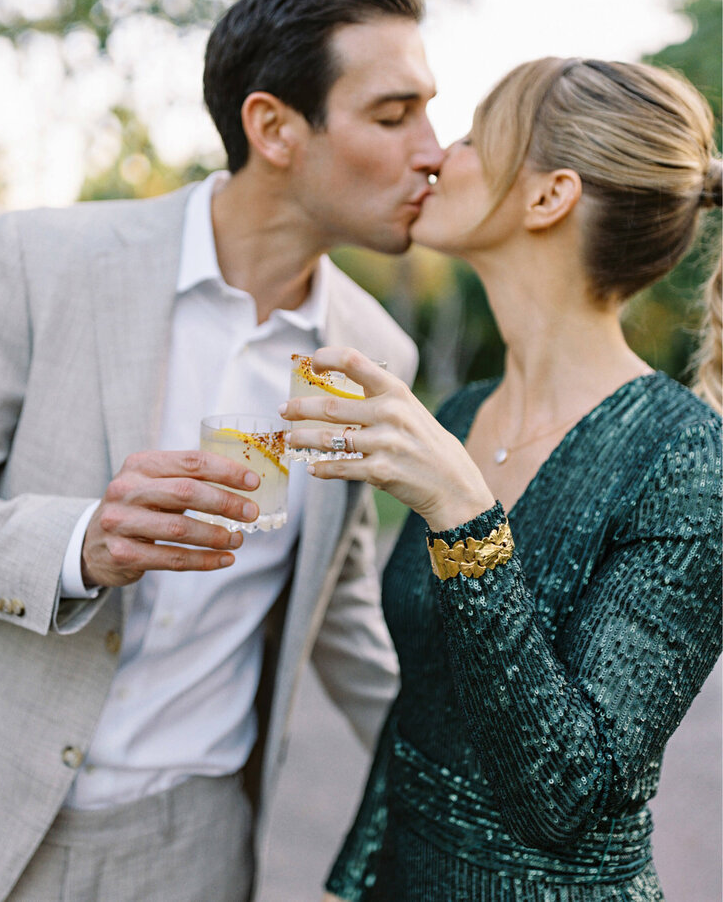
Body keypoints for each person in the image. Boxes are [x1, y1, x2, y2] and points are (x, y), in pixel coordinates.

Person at [0, 0, 444, 902]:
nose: (434, 152)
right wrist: (78, 543)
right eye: (394, 114)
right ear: (274, 128)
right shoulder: (41, 259)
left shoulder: (372, 353)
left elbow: (342, 609)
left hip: (195, 848)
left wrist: (485, 791)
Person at [281, 57, 723, 901]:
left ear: (549, 197)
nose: (438, 154)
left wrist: (466, 517)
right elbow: (426, 708)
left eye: (477, 134)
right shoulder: (461, 412)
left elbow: (565, 796)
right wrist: (351, 883)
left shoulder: (688, 460)